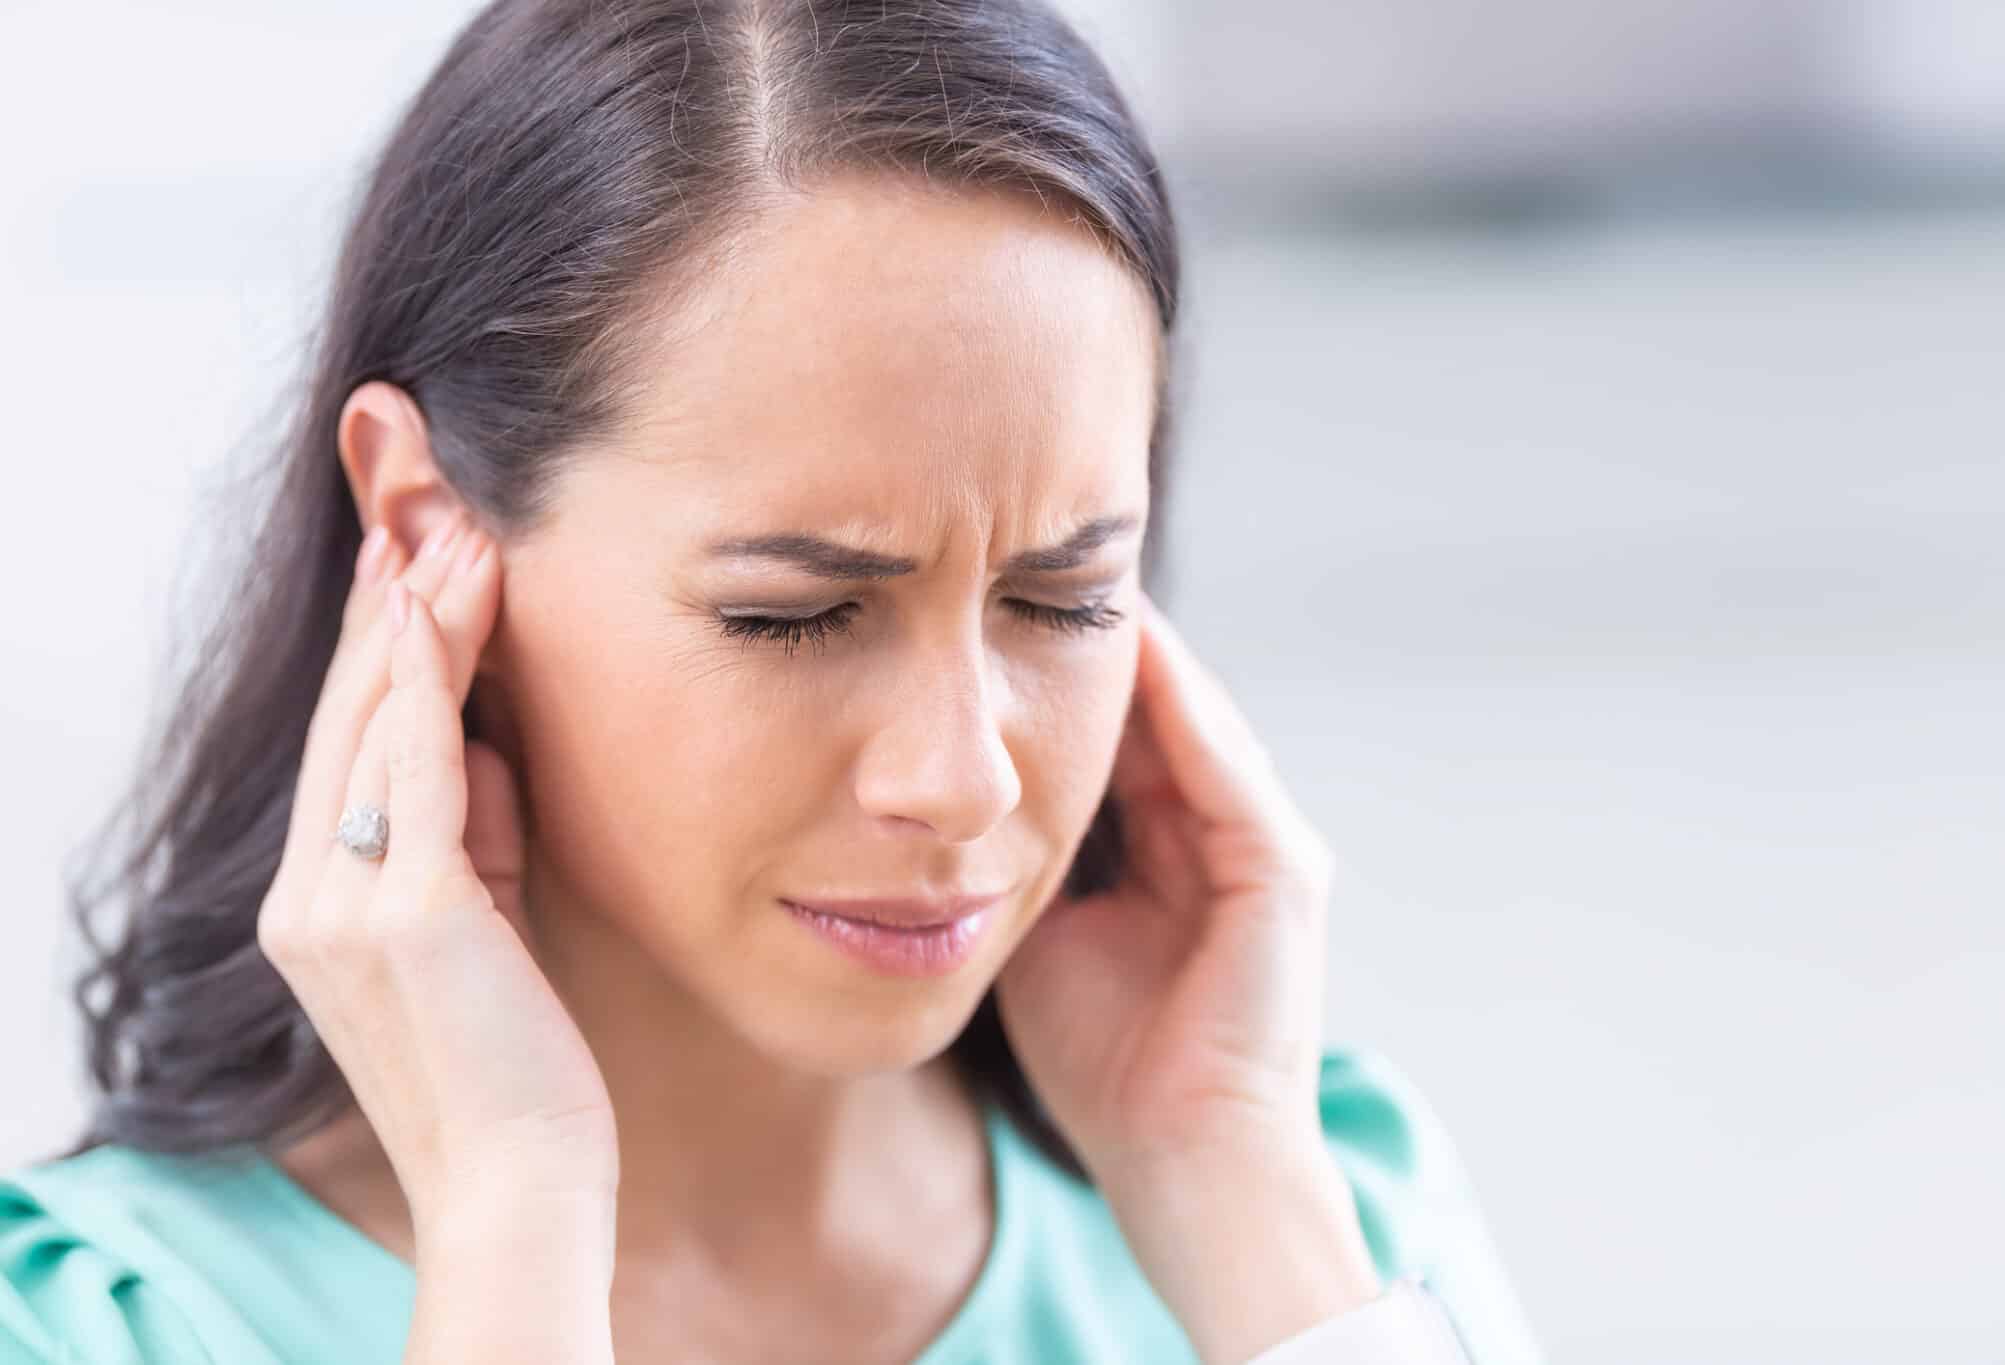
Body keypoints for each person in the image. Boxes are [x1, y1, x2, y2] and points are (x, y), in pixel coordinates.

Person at [0, 1, 1546, 1361]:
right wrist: (511, 1227)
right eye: (797, 614)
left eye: (1061, 596)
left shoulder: (1330, 1222)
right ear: (423, 527)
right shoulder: (108, 1326)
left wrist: (1229, 1182)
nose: (967, 780)